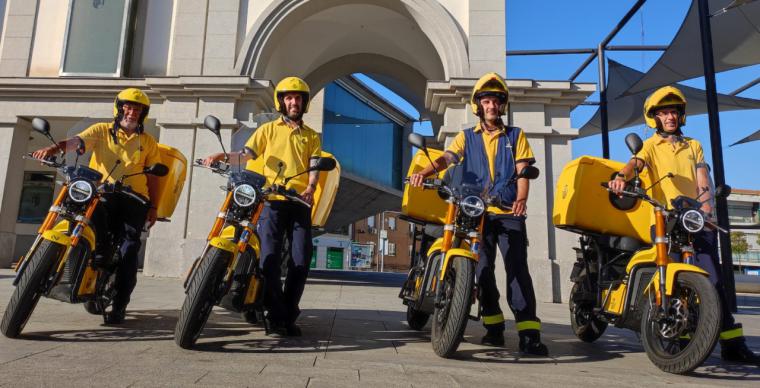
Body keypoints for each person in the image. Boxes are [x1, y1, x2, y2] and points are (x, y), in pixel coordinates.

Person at [608, 85, 759, 364]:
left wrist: (707, 209)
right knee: (674, 279)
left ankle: (731, 343)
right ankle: (680, 338)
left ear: (681, 116)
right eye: (664, 113)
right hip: (665, 219)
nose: (670, 117)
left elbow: (702, 177)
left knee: (713, 280)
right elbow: (634, 164)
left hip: (693, 219)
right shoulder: (651, 145)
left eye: (674, 112)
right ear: (655, 118)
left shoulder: (693, 145)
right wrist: (621, 176)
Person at [409, 72, 548, 355]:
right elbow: (448, 159)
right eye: (487, 101)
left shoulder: (515, 136)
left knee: (517, 270)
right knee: (482, 270)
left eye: (496, 101)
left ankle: (529, 332)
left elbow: (523, 171)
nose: (492, 106)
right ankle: (494, 327)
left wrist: (521, 198)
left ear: (502, 105)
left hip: (508, 211)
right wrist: (423, 172)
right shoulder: (465, 137)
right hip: (476, 212)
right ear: (478, 106)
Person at [202, 76, 321, 337]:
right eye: (289, 98)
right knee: (269, 259)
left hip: (299, 202)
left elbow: (314, 165)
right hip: (270, 202)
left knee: (300, 262)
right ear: (282, 102)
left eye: (298, 98)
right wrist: (221, 155)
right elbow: (246, 155)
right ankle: (275, 313)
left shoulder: (311, 136)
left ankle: (287, 315)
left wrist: (311, 187)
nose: (294, 102)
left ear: (304, 103)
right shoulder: (268, 130)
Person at [32, 88, 161, 324]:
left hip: (135, 200)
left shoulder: (148, 142)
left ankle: (120, 305)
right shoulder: (101, 131)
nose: (132, 112)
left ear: (143, 114)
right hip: (101, 193)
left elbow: (154, 176)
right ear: (119, 108)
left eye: (138, 109)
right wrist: (53, 149)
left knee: (129, 250)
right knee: (84, 221)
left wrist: (153, 207)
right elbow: (76, 141)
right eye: (128, 107)